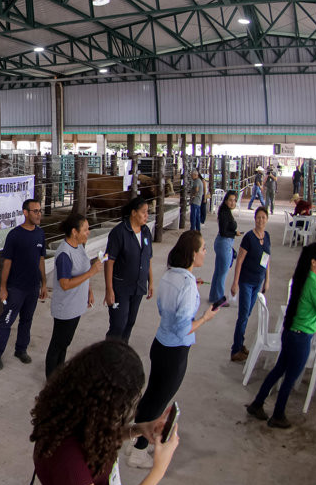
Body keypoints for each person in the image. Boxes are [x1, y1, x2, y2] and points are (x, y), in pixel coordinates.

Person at [26, 340, 180, 485]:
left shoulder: (74, 414)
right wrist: (158, 472)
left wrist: (138, 429)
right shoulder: (66, 459)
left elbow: (92, 440)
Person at [126, 231, 218, 468]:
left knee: (152, 395)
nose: (206, 252)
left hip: (160, 344)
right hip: (175, 351)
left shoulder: (169, 276)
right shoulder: (186, 284)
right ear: (193, 253)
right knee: (160, 400)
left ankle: (134, 436)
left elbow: (163, 310)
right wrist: (206, 318)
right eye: (203, 248)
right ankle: (139, 450)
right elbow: (183, 328)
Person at [246, 243, 316, 428]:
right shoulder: (313, 282)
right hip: (300, 338)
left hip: (290, 333)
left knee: (279, 370)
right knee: (290, 377)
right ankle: (278, 415)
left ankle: (257, 404)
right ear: (313, 262)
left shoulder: (303, 276)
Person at [0, 198, 47, 370]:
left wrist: (43, 283)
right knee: (6, 320)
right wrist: (3, 288)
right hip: (16, 289)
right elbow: (7, 263)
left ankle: (21, 349)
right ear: (25, 213)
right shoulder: (14, 235)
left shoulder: (40, 234)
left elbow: (41, 259)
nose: (38, 214)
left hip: (32, 287)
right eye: (35, 211)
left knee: (27, 320)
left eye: (39, 211)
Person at [45, 213, 102, 378]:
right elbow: (65, 284)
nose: (88, 232)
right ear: (74, 232)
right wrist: (92, 272)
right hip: (66, 307)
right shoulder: (64, 254)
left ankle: (59, 373)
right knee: (58, 344)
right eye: (85, 229)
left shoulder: (80, 247)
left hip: (76, 305)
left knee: (65, 342)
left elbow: (83, 271)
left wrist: (89, 291)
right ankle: (51, 380)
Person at [103, 197, 154, 343]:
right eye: (143, 212)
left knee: (130, 322)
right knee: (118, 324)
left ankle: (122, 351)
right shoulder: (119, 232)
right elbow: (109, 262)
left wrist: (150, 282)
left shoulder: (146, 232)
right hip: (121, 287)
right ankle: (110, 354)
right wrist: (109, 289)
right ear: (133, 213)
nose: (146, 215)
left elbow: (148, 258)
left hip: (138, 286)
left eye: (147, 212)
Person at [229, 206, 271, 362]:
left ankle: (240, 344)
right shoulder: (248, 237)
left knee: (247, 314)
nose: (261, 220)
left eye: (263, 218)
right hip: (246, 281)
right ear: (255, 219)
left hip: (258, 281)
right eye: (258, 217)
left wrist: (267, 280)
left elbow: (267, 260)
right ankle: (235, 350)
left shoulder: (266, 237)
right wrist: (235, 283)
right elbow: (239, 260)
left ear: (267, 220)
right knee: (243, 315)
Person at [209, 190, 238, 308]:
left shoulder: (225, 212)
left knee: (218, 271)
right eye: (230, 200)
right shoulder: (224, 213)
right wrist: (234, 232)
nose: (232, 202)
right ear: (226, 200)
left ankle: (213, 296)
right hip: (224, 243)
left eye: (234, 200)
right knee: (223, 272)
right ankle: (219, 298)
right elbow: (224, 231)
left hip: (223, 242)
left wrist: (234, 232)